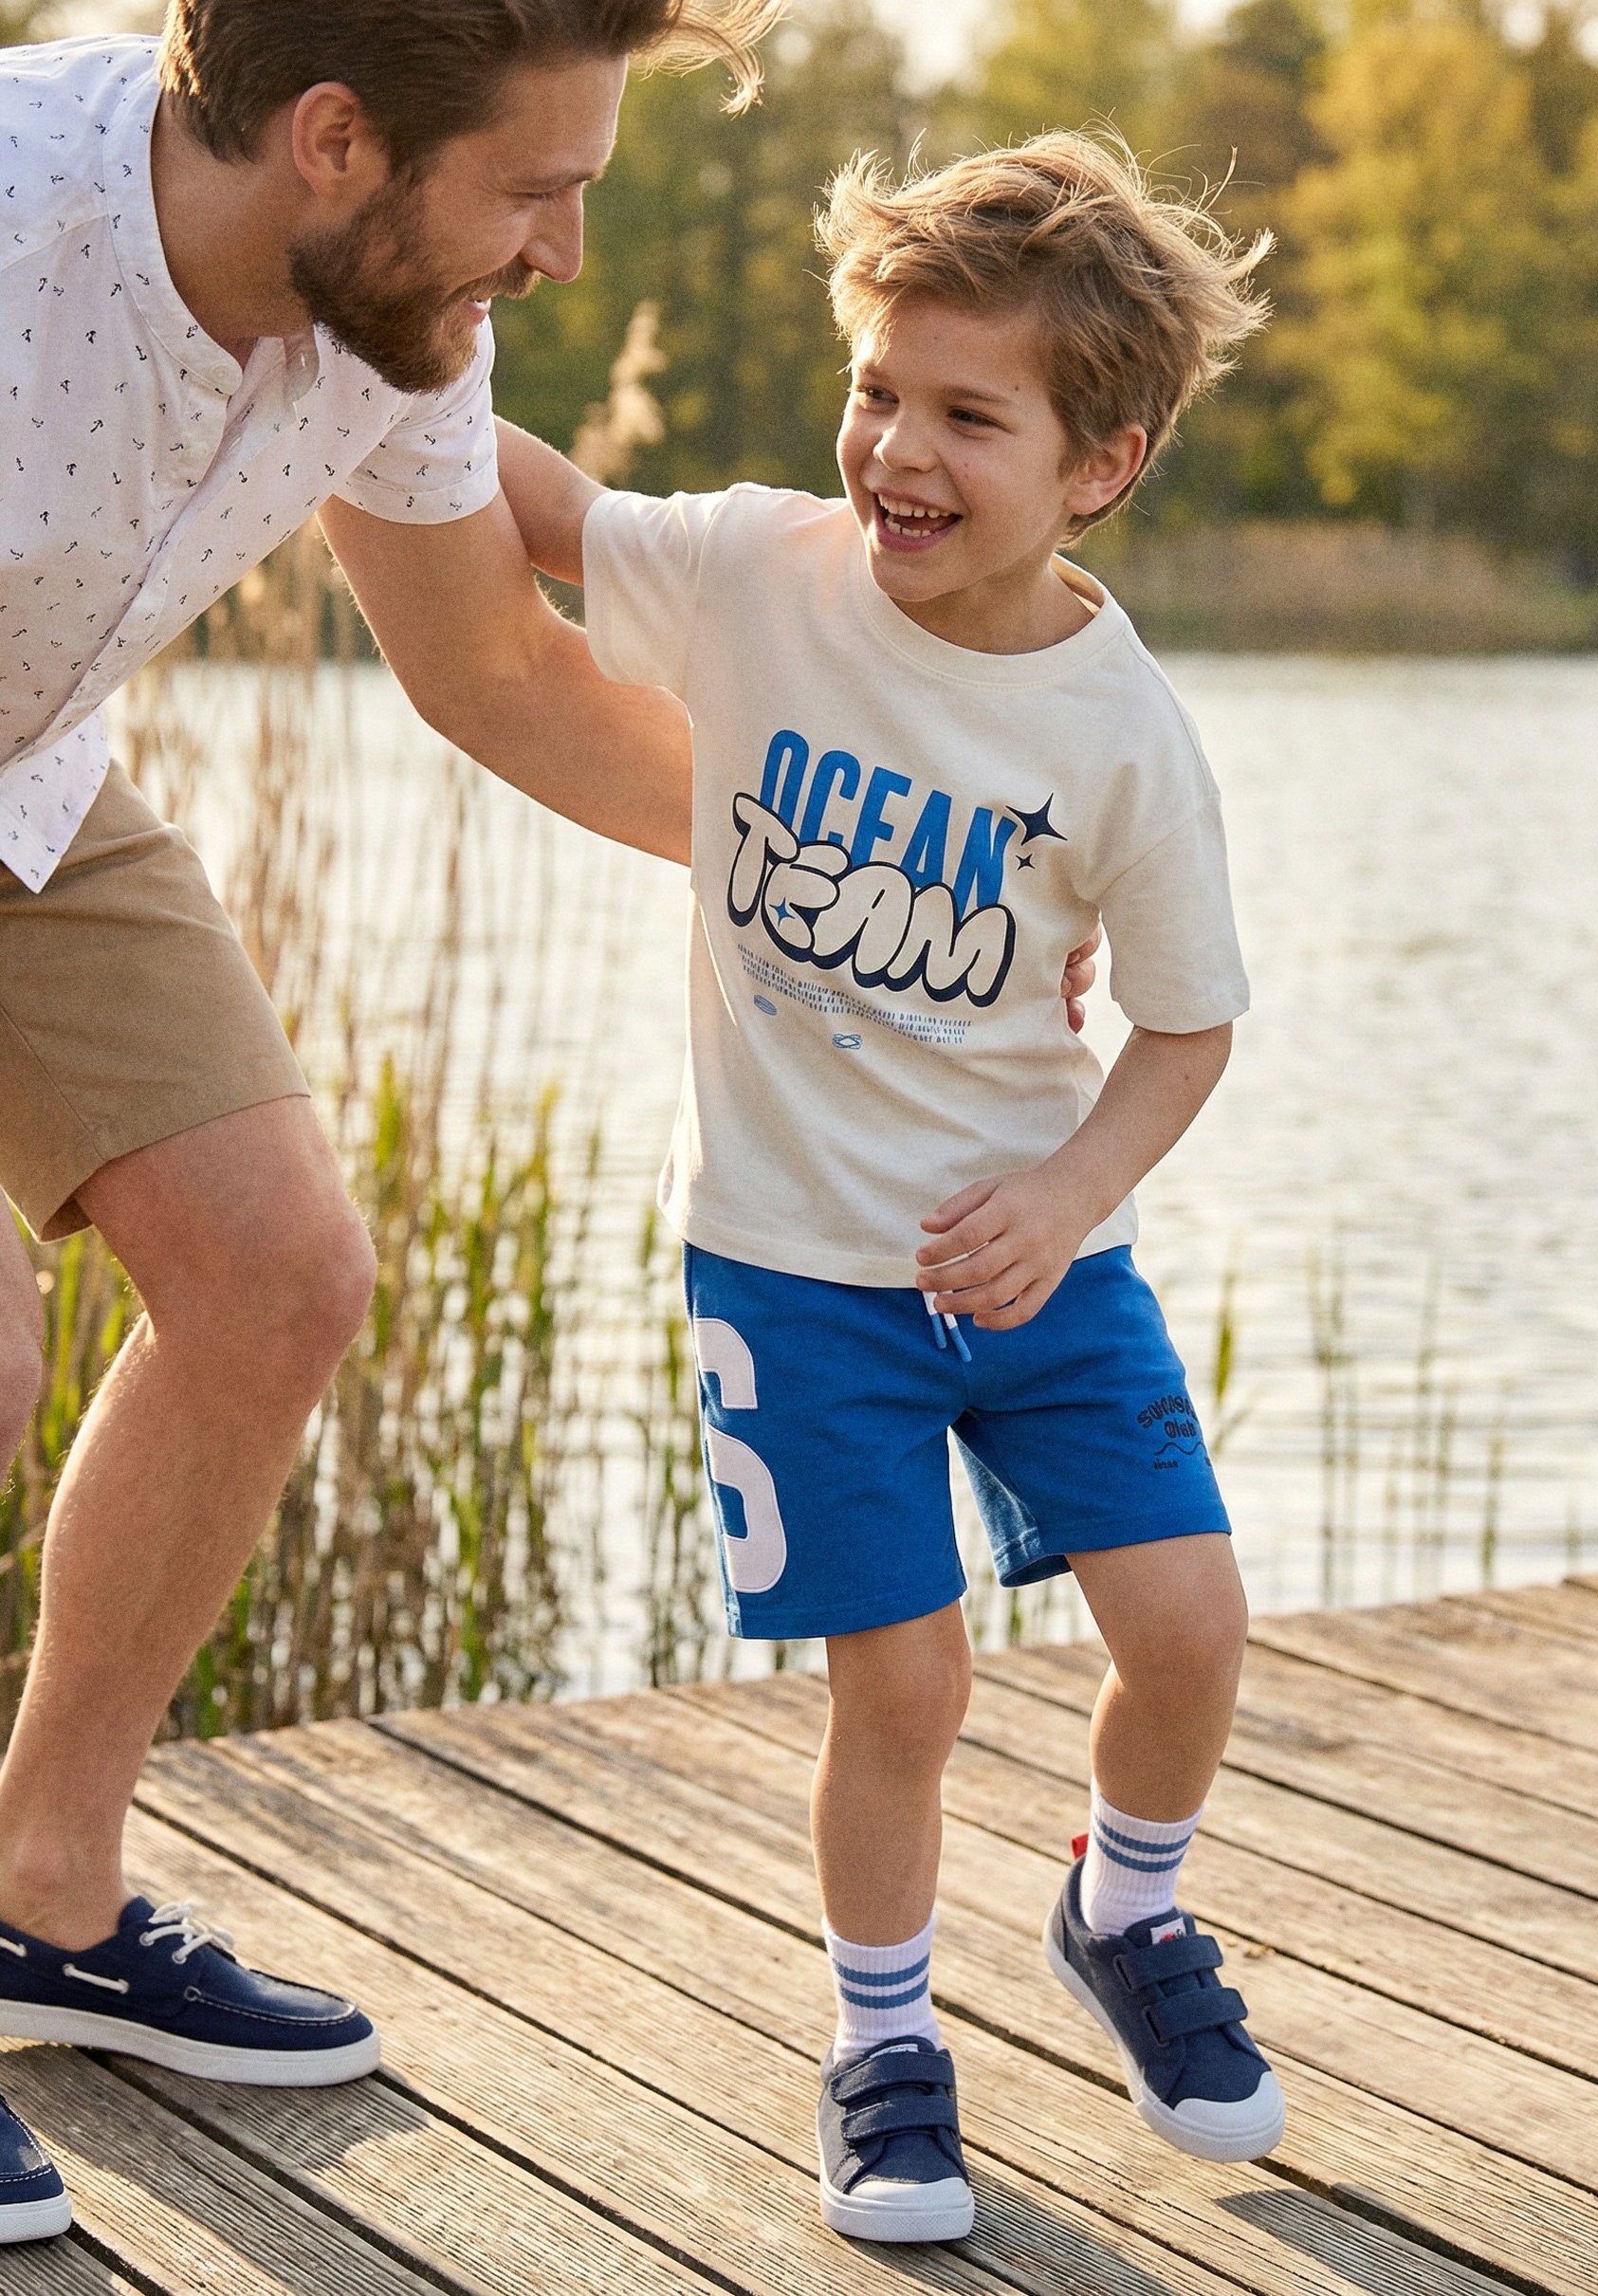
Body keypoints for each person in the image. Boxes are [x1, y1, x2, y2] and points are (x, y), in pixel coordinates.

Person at [0, 0, 782, 2246]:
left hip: (28, 781)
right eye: (535, 189)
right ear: (336, 137)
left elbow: (504, 683)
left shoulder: (385, 312)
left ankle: (42, 1889)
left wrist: (848, 881)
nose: (557, 251)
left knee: (274, 1276)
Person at [499, 130, 1284, 2245]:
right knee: (905, 1681)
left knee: (1190, 1626)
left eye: (966, 416)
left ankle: (1122, 1913)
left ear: (1099, 462)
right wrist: (345, 359)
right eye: (877, 391)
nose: (893, 453)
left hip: (1039, 1266)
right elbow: (546, 509)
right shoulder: (760, 570)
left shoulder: (1121, 737)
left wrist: (1069, 1188)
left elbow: (1189, 1024)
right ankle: (880, 2042)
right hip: (795, 1271)